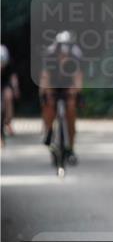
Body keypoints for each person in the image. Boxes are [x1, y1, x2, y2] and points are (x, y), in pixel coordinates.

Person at [39, 31, 83, 165]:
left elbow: (78, 77)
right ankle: (48, 132)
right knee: (49, 106)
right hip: (53, 85)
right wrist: (46, 94)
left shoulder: (75, 56)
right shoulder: (50, 56)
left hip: (67, 86)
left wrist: (76, 91)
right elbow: (45, 77)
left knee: (71, 110)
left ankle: (70, 148)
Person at [1, 45, 20, 139]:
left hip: (5, 83)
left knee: (8, 96)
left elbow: (13, 77)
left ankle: (8, 122)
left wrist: (15, 89)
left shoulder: (9, 64)